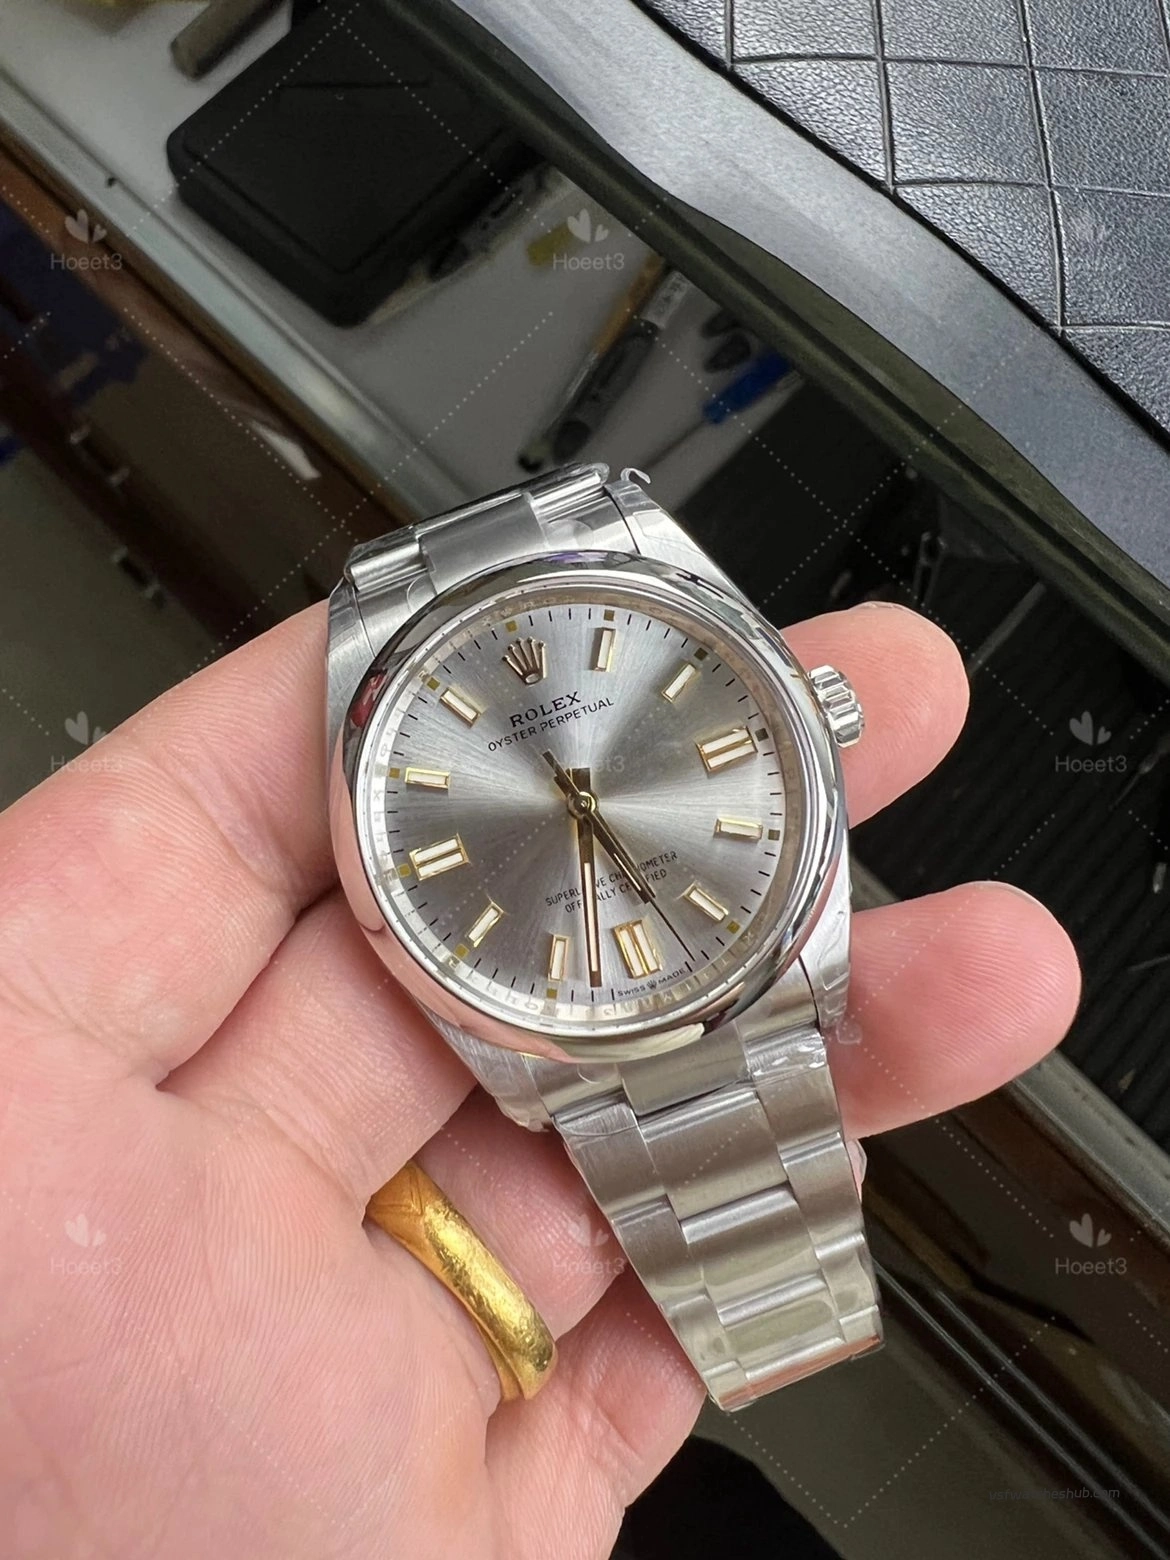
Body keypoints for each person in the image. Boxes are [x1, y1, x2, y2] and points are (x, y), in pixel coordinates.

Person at [0, 600, 1079, 1558]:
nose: (576, 791)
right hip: (560, 1027)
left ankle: (783, 1317)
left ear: (817, 714)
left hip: (738, 960)